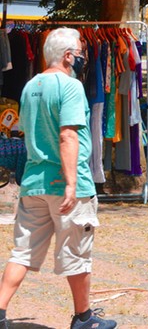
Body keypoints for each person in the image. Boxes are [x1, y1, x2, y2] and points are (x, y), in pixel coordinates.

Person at [0, 27, 117, 329]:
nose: (82, 56)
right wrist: (70, 183)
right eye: (79, 52)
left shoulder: (30, 86)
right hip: (68, 183)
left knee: (23, 252)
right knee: (77, 253)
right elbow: (68, 135)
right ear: (68, 56)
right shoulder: (71, 87)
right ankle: (84, 317)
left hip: (33, 181)